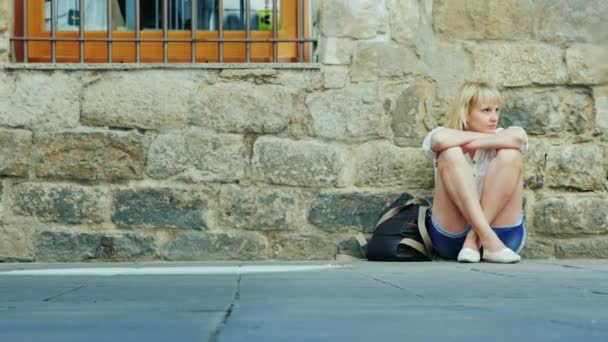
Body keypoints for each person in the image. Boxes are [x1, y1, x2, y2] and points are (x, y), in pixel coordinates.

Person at [421, 81, 528, 263]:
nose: (494, 117)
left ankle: (475, 239)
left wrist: (482, 141)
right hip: (452, 237)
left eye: (497, 110)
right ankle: (486, 241)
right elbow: (439, 140)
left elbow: (519, 138)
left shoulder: (504, 134)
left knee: (511, 154)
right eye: (486, 110)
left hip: (503, 237)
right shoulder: (444, 133)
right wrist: (488, 139)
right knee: (449, 153)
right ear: (465, 112)